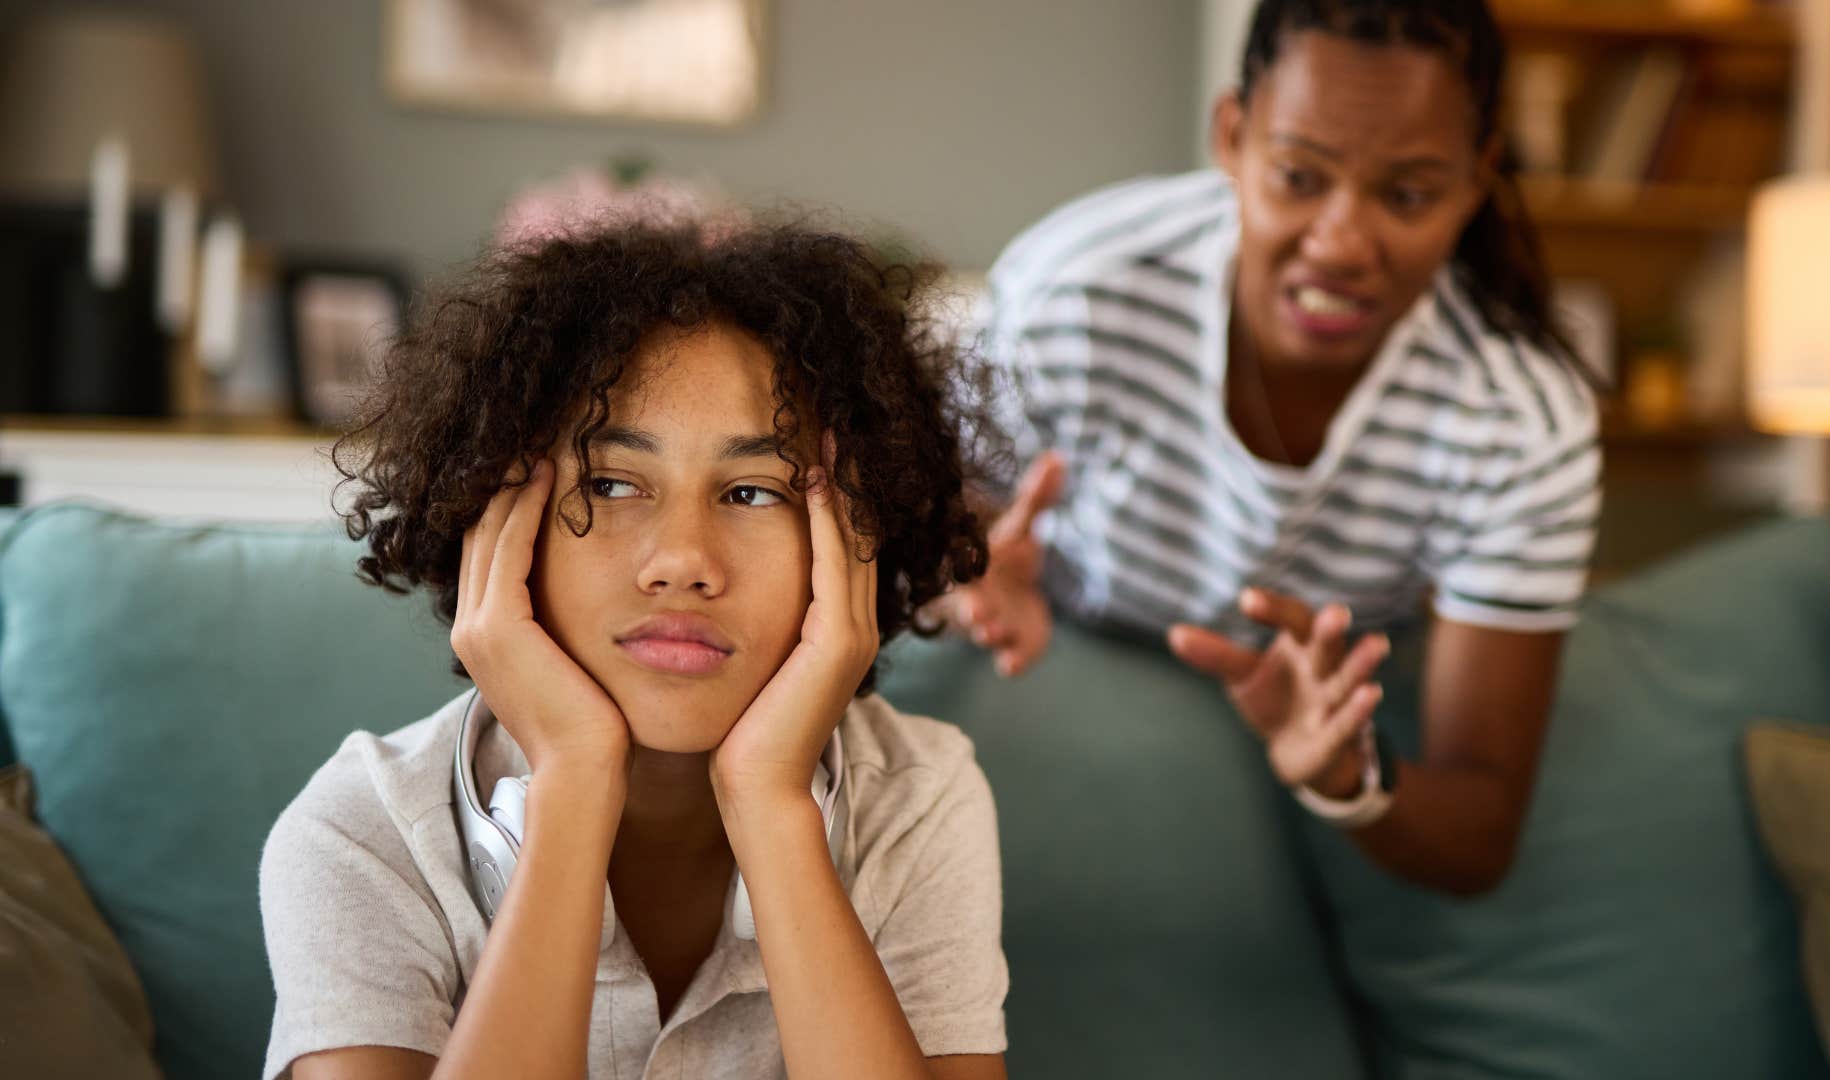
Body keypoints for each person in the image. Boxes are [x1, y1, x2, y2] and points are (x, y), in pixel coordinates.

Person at [259, 220, 1009, 1079]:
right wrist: (575, 782)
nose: (683, 561)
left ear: (852, 540)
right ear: (501, 525)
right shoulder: (364, 836)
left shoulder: (915, 799)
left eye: (751, 491)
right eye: (611, 482)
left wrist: (770, 803)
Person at [949, 0, 1601, 896]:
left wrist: (1347, 779)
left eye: (1407, 194)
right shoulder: (1079, 291)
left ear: (1478, 177)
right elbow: (938, 508)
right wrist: (960, 567)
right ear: (1232, 137)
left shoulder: (1519, 423)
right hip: (1053, 681)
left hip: (1289, 762)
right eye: (1299, 175)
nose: (1339, 243)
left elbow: (1477, 834)